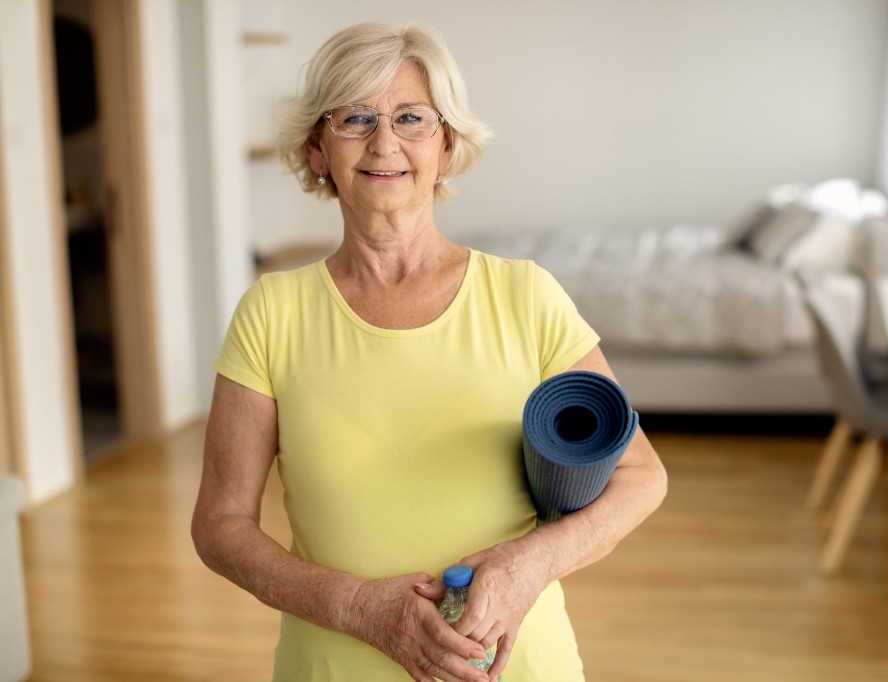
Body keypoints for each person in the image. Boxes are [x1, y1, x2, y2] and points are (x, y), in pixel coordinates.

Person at [191, 21, 667, 682]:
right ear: (319, 149)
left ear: (446, 144)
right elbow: (220, 525)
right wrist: (361, 608)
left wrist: (533, 563)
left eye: (411, 117)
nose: (384, 142)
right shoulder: (271, 313)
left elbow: (642, 477)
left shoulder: (526, 295)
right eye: (356, 118)